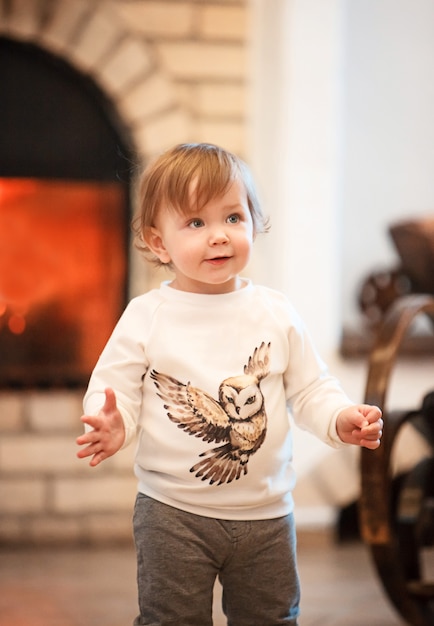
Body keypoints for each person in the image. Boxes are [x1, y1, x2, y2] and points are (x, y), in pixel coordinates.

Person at [76, 142, 383, 626]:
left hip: (267, 516)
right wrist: (114, 422)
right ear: (159, 243)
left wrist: (338, 417)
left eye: (233, 218)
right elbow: (115, 387)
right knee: (171, 619)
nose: (218, 236)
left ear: (253, 224)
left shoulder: (274, 312)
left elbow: (310, 389)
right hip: (171, 513)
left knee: (271, 617)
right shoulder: (147, 316)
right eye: (196, 223)